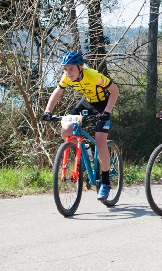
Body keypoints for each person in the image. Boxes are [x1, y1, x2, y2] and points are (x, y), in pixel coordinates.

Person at [42, 52, 120, 200]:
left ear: (80, 67)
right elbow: (57, 92)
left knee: (100, 141)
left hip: (103, 105)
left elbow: (115, 90)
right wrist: (48, 111)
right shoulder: (66, 77)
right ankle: (86, 158)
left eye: (71, 69)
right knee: (66, 130)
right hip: (87, 103)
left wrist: (107, 112)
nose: (68, 72)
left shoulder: (94, 75)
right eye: (65, 69)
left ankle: (105, 182)